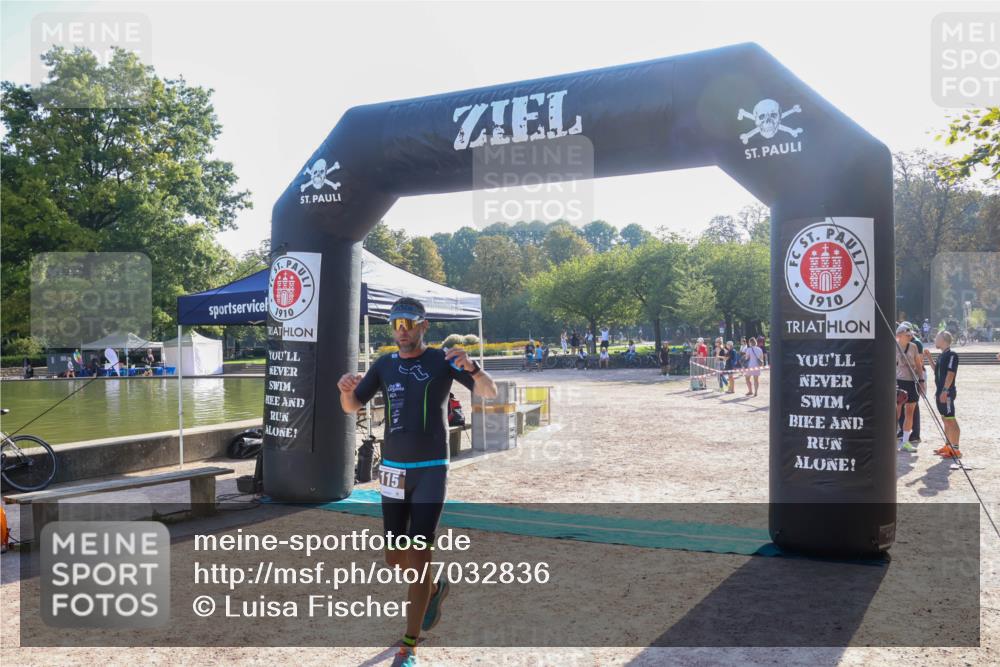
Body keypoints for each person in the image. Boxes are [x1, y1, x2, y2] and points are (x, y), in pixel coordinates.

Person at [337, 297, 497, 666]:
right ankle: (434, 588)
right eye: (396, 325)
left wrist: (473, 370)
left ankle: (409, 645)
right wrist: (346, 390)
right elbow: (351, 407)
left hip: (430, 469)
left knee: (420, 554)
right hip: (392, 469)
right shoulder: (383, 365)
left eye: (409, 323)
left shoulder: (442, 360)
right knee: (395, 558)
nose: (402, 331)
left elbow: (490, 392)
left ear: (424, 326)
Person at [926, 331, 962, 459]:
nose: (935, 340)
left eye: (937, 338)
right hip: (939, 392)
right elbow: (937, 371)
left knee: (951, 419)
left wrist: (945, 390)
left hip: (946, 393)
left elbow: (950, 374)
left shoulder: (952, 355)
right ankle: (948, 445)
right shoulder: (941, 356)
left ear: (943, 340)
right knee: (945, 419)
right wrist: (929, 358)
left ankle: (956, 449)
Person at [895, 323, 925, 452]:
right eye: (907, 335)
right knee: (896, 412)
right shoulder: (893, 347)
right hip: (898, 382)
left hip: (911, 381)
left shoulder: (913, 347)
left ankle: (906, 441)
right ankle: (892, 438)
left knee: (910, 411)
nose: (909, 337)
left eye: (910, 335)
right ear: (899, 335)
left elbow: (919, 365)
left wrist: (921, 380)